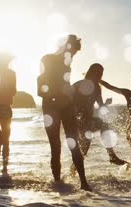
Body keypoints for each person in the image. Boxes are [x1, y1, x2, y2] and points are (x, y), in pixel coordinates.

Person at [37, 34, 90, 191]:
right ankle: (58, 183)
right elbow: (40, 86)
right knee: (55, 146)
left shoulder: (68, 65)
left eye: (74, 54)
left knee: (73, 144)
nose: (72, 56)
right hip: (50, 106)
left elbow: (65, 86)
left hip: (66, 107)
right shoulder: (47, 59)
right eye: (72, 52)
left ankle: (84, 183)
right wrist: (55, 96)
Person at [70, 63, 127, 176]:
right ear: (91, 72)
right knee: (84, 148)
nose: (100, 76)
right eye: (98, 73)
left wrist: (106, 103)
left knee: (84, 149)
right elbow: (69, 102)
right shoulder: (79, 85)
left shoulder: (96, 88)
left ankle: (71, 174)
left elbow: (101, 107)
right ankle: (111, 156)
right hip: (76, 120)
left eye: (101, 74)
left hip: (87, 120)